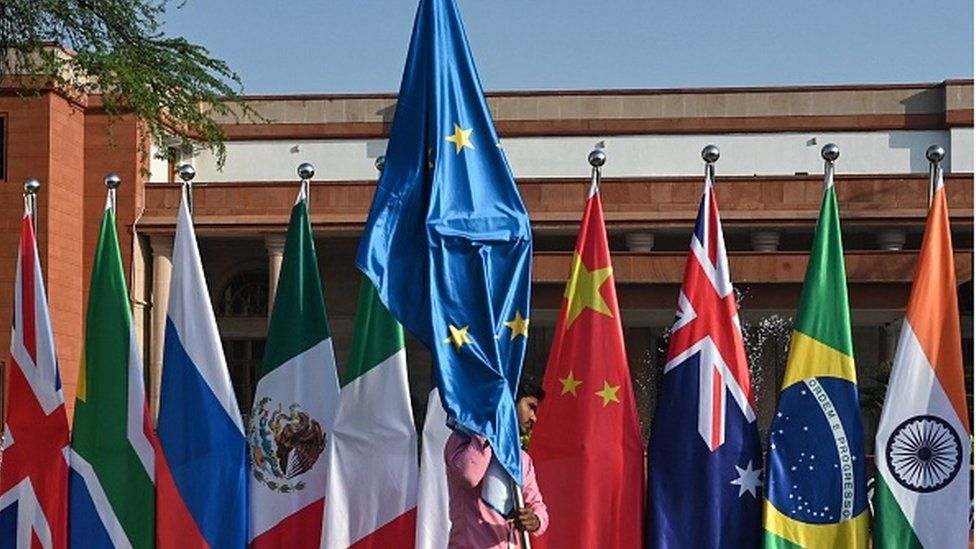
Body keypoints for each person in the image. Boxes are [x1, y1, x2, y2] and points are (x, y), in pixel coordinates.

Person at [444, 380, 549, 548]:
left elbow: (537, 505)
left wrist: (535, 520)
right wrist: (488, 429)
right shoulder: (463, 440)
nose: (533, 418)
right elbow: (468, 475)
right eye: (530, 407)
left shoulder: (521, 458)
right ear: (509, 401)